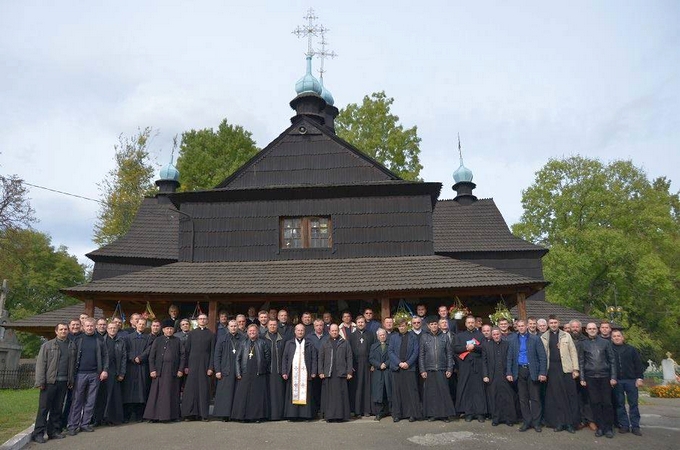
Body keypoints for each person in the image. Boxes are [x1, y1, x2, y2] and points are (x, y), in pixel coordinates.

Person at [32, 323, 76, 444]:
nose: (63, 331)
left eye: (65, 329)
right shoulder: (47, 345)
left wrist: (71, 380)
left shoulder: (71, 346)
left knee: (57, 408)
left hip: (64, 382)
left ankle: (53, 431)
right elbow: (41, 364)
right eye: (61, 329)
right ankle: (38, 433)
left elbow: (72, 365)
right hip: (49, 382)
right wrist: (40, 381)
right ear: (56, 331)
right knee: (43, 408)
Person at [67, 318, 109, 435]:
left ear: (95, 326)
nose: (89, 328)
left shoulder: (99, 339)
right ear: (83, 327)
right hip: (80, 374)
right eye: (87, 326)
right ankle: (72, 425)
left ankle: (85, 424)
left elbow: (105, 356)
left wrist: (105, 370)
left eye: (91, 326)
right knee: (77, 400)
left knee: (90, 401)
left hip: (95, 374)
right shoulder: (78, 339)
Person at [507, 319, 547, 433]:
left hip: (532, 370)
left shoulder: (535, 339)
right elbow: (509, 357)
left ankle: (536, 422)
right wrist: (509, 372)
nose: (521, 328)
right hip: (519, 370)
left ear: (527, 326)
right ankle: (527, 421)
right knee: (523, 399)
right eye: (518, 326)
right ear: (517, 327)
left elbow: (542, 357)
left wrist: (542, 372)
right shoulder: (513, 339)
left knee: (535, 398)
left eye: (522, 326)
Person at [541, 315, 579, 433]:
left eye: (555, 322)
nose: (553, 324)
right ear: (548, 324)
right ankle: (559, 423)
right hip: (551, 370)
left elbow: (573, 352)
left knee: (569, 397)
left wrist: (576, 369)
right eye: (551, 323)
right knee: (555, 397)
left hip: (566, 369)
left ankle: (570, 424)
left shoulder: (566, 335)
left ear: (559, 323)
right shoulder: (544, 337)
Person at [578, 322, 617, 438]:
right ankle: (600, 427)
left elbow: (612, 360)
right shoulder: (583, 344)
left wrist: (613, 376)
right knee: (595, 403)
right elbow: (581, 361)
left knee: (607, 403)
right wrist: (582, 378)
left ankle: (609, 427)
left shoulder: (605, 343)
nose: (592, 330)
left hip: (605, 376)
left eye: (594, 328)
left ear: (597, 329)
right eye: (589, 328)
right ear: (586, 330)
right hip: (590, 377)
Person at [143, 319, 185, 422]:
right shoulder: (158, 340)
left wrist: (180, 369)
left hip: (173, 371)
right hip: (159, 371)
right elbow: (151, 357)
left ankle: (172, 416)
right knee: (157, 394)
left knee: (172, 394)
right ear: (163, 330)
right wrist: (152, 370)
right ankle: (155, 416)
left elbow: (183, 356)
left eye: (171, 329)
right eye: (167, 329)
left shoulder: (177, 341)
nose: (169, 330)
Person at [231, 324, 271, 422]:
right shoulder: (243, 343)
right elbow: (237, 359)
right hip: (245, 373)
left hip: (258, 373)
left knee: (256, 396)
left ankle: (257, 417)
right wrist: (238, 372)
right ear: (247, 332)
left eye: (254, 331)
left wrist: (263, 369)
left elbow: (267, 358)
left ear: (257, 332)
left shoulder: (263, 343)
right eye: (250, 331)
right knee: (243, 395)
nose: (252, 332)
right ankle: (242, 417)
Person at [419, 316, 455, 422]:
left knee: (443, 392)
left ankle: (444, 415)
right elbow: (421, 355)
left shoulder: (444, 337)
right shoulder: (424, 337)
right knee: (431, 393)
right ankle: (432, 414)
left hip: (442, 368)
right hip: (429, 369)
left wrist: (450, 368)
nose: (434, 326)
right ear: (428, 326)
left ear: (438, 325)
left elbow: (449, 354)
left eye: (435, 324)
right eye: (432, 324)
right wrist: (422, 370)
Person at [181, 313, 214, 421]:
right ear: (197, 321)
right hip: (192, 365)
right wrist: (185, 366)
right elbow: (186, 351)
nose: (202, 320)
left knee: (203, 390)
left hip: (205, 365)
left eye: (204, 319)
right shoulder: (192, 334)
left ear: (207, 321)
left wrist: (210, 367)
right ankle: (190, 414)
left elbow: (213, 352)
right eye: (200, 319)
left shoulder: (211, 334)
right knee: (191, 390)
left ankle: (203, 414)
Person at [281, 324, 318, 420]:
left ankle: (305, 415)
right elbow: (285, 358)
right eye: (298, 330)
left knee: (306, 393)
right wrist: (284, 371)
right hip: (293, 374)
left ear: (304, 331)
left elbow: (314, 358)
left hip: (306, 373)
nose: (300, 332)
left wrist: (314, 371)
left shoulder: (309, 343)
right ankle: (293, 415)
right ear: (295, 331)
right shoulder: (289, 343)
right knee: (292, 393)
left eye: (302, 330)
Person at [454, 316, 487, 422]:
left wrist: (475, 347)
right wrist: (466, 348)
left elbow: (485, 348)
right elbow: (455, 348)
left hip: (478, 365)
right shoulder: (460, 336)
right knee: (467, 389)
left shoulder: (480, 335)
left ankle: (480, 413)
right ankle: (468, 413)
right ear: (465, 324)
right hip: (465, 365)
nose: (471, 324)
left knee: (479, 389)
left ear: (475, 323)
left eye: (472, 322)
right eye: (469, 322)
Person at [482, 328, 518, 426]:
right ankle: (496, 418)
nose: (496, 336)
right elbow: (484, 362)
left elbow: (511, 359)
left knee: (507, 397)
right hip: (492, 376)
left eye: (498, 334)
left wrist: (510, 373)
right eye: (494, 334)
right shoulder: (486, 345)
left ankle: (509, 419)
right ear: (491, 335)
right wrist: (485, 375)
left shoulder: (507, 344)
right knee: (494, 397)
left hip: (505, 374)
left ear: (500, 334)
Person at [611, 329, 643, 436]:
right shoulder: (610, 350)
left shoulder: (631, 349)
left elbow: (638, 364)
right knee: (620, 404)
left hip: (631, 380)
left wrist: (639, 378)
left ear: (622, 337)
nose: (616, 337)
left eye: (618, 336)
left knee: (633, 404)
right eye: (614, 336)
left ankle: (635, 426)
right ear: (611, 338)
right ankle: (624, 425)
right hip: (617, 381)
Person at [388, 318, 421, 422]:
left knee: (410, 391)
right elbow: (390, 351)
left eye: (403, 326)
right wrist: (399, 363)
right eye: (400, 326)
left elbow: (416, 352)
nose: (402, 328)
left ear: (407, 326)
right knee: (397, 392)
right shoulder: (393, 338)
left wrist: (408, 363)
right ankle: (397, 414)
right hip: (397, 368)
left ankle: (412, 414)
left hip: (409, 368)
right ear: (398, 327)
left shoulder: (413, 337)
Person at [94, 322, 126, 426]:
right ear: (107, 329)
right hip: (103, 371)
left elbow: (123, 358)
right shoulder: (101, 341)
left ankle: (111, 419)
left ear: (117, 329)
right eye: (110, 328)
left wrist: (122, 373)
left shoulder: (121, 341)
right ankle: (98, 419)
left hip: (115, 371)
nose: (112, 330)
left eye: (114, 328)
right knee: (101, 396)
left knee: (113, 396)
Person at [319, 324, 353, 422]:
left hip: (340, 373)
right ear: (329, 331)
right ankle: (330, 416)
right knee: (329, 396)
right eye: (332, 331)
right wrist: (320, 371)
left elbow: (349, 358)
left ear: (338, 331)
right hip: (329, 373)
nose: (334, 332)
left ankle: (341, 416)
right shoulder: (324, 342)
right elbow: (320, 358)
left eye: (336, 331)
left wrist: (349, 371)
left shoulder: (345, 342)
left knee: (340, 396)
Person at [122, 315, 151, 423]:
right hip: (131, 367)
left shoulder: (148, 338)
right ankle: (128, 415)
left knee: (141, 391)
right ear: (136, 325)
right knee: (129, 391)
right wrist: (133, 358)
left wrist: (141, 357)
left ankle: (140, 415)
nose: (142, 326)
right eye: (140, 324)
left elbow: (149, 350)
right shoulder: (128, 338)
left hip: (142, 367)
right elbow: (126, 351)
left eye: (144, 324)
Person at [213, 320, 243, 421]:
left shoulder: (243, 338)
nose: (233, 328)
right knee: (225, 393)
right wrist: (217, 370)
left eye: (235, 326)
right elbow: (217, 355)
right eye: (231, 326)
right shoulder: (222, 338)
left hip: (238, 370)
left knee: (237, 393)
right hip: (225, 369)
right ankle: (224, 414)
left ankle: (236, 415)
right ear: (228, 327)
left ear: (238, 327)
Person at [349, 315, 375, 417]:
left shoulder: (370, 334)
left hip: (368, 364)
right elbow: (349, 352)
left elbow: (373, 349)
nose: (361, 324)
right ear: (356, 324)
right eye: (359, 322)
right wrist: (350, 365)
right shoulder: (351, 336)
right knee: (357, 387)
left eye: (362, 322)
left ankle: (367, 410)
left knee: (367, 387)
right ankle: (357, 410)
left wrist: (372, 363)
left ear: (365, 323)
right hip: (356, 365)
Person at [263, 318, 286, 421]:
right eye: (270, 325)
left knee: (279, 394)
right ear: (267, 326)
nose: (272, 326)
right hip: (267, 371)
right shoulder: (263, 338)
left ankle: (279, 415)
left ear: (277, 326)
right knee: (268, 393)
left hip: (279, 371)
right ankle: (268, 414)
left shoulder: (282, 338)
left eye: (274, 325)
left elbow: (286, 356)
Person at [369, 328, 392, 420]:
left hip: (387, 371)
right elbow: (371, 358)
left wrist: (386, 364)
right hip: (378, 372)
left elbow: (393, 356)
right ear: (378, 337)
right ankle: (379, 412)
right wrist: (379, 365)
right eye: (380, 335)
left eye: (384, 335)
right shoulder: (374, 346)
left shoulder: (390, 345)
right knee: (379, 391)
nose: (382, 336)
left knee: (388, 390)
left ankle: (390, 410)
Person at [307, 319, 328, 417]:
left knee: (324, 389)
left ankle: (324, 409)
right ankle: (315, 410)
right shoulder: (309, 337)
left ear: (323, 326)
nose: (319, 327)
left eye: (320, 325)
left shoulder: (328, 336)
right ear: (314, 326)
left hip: (325, 367)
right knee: (314, 389)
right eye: (317, 325)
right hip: (313, 367)